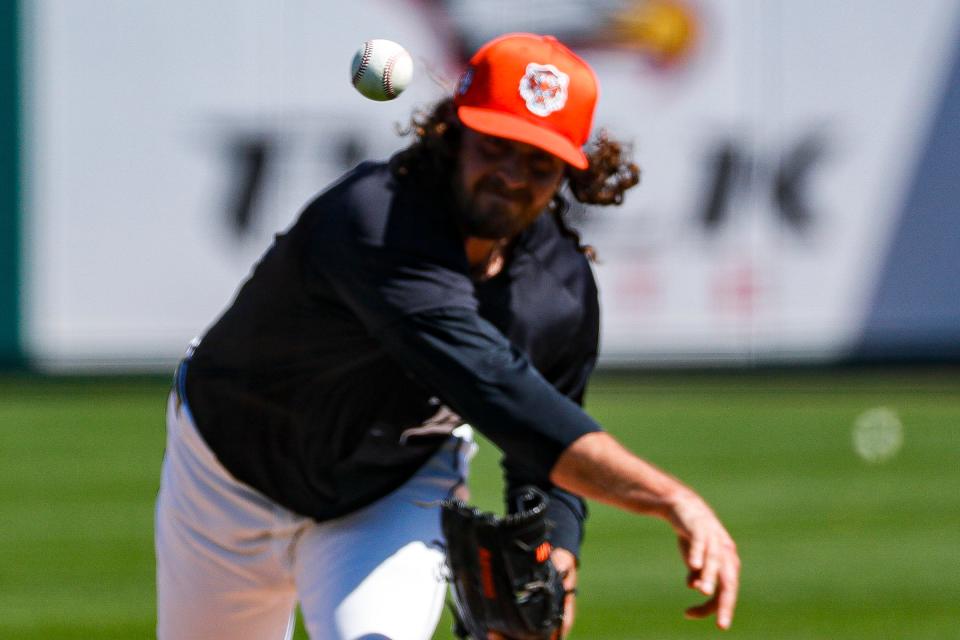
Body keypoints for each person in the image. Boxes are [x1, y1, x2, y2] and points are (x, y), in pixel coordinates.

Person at [155, 33, 739, 639]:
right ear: (453, 132)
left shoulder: (558, 292)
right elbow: (499, 391)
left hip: (387, 493)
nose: (512, 176)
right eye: (497, 145)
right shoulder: (375, 220)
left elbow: (542, 446)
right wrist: (671, 498)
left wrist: (557, 564)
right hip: (226, 479)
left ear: (568, 170)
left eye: (539, 160)